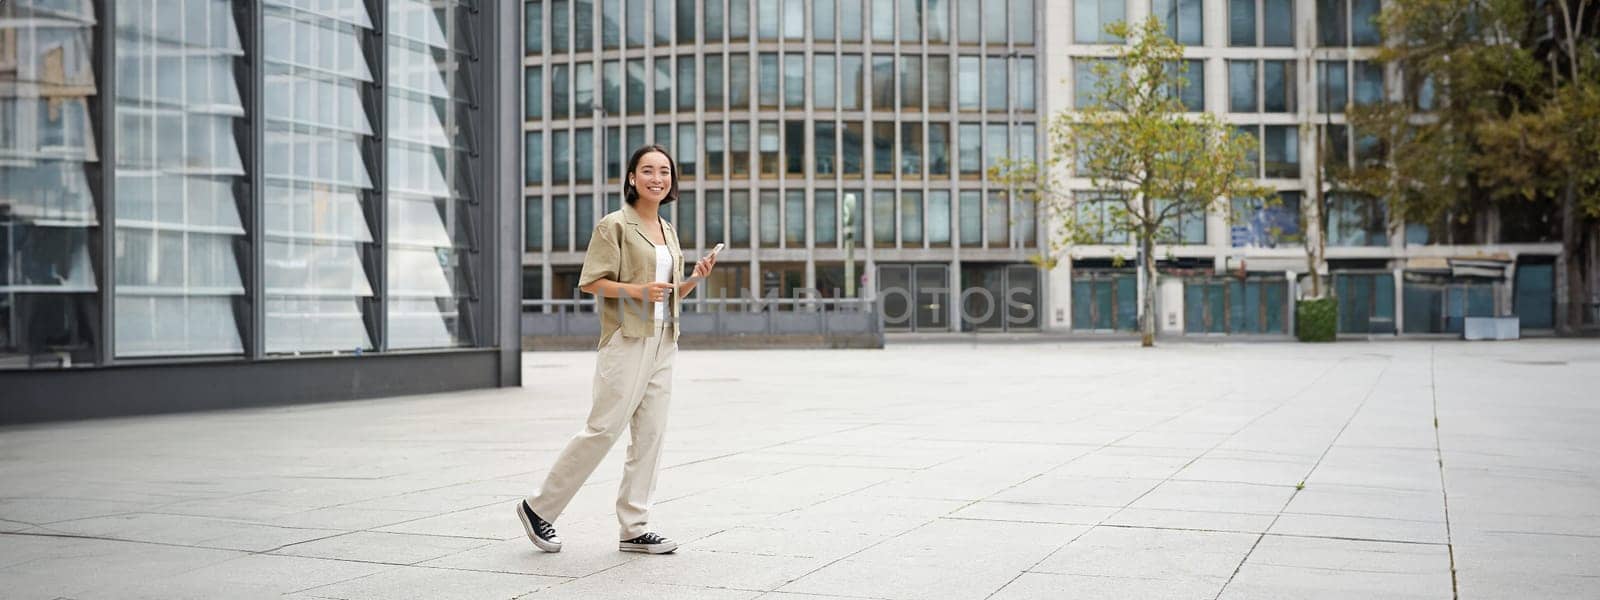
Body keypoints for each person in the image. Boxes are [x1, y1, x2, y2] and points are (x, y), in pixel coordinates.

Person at [516, 144, 716, 555]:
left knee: (651, 434)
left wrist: (694, 278)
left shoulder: (668, 229)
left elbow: (668, 293)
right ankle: (538, 508)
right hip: (626, 338)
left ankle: (634, 526)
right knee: (603, 428)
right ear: (631, 178)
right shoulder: (615, 226)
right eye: (647, 170)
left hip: (664, 338)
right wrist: (638, 291)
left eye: (664, 171)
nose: (657, 178)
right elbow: (592, 282)